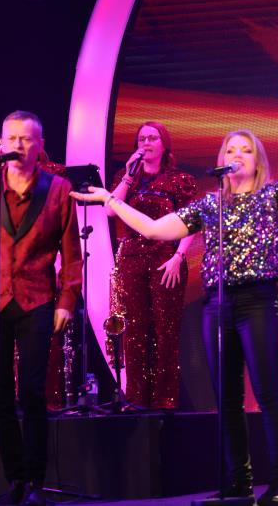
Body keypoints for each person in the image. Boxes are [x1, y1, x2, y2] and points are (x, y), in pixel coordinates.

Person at [72, 79, 278, 505]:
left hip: (258, 302)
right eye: (230, 150)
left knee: (267, 392)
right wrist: (109, 201)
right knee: (226, 399)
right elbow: (155, 229)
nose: (236, 156)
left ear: (257, 161)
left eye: (245, 150)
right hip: (218, 305)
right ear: (220, 162)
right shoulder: (210, 205)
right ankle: (238, 484)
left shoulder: (273, 197)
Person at [0, 111, 82, 506]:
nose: (18, 145)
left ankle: (36, 482)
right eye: (11, 138)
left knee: (33, 391)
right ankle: (15, 479)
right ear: (1, 143)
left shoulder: (57, 190)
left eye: (26, 139)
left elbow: (71, 254)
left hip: (37, 298)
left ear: (40, 146)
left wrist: (67, 300)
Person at [105, 121, 197, 409]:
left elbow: (191, 222)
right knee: (135, 329)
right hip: (132, 259)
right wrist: (128, 176)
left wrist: (178, 256)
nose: (146, 143)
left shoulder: (179, 180)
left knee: (165, 329)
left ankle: (164, 398)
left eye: (152, 138)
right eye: (142, 138)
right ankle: (136, 397)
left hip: (165, 258)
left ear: (164, 144)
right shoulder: (126, 177)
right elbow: (110, 209)